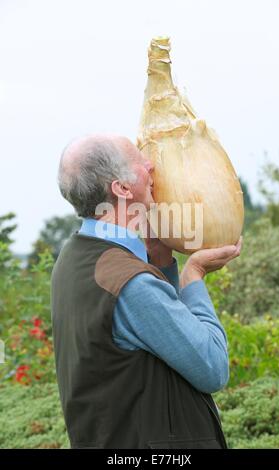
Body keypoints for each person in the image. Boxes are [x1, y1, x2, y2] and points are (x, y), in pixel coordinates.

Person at [51, 133, 242, 449]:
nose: (151, 165)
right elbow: (213, 368)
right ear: (122, 188)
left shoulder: (73, 258)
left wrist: (161, 259)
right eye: (139, 161)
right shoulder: (130, 283)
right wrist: (194, 274)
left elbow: (145, 339)